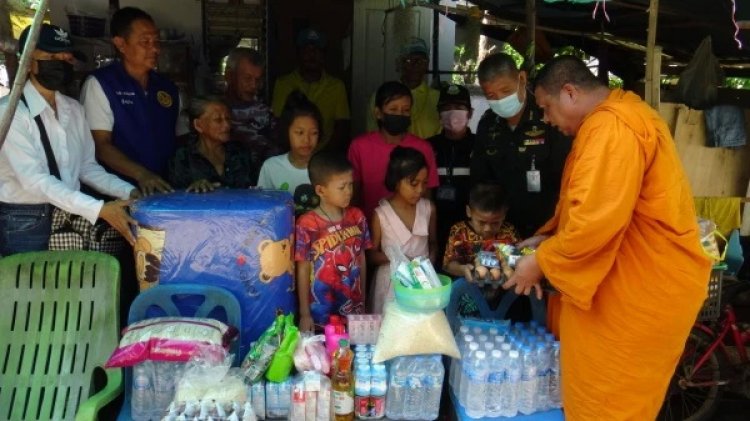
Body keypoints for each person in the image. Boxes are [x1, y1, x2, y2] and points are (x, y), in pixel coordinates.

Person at [504, 55, 712, 420]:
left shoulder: (613, 128)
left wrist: (540, 262)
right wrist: (548, 239)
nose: (547, 120)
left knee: (607, 407)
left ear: (569, 93)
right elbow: (595, 209)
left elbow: (594, 223)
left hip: (638, 295)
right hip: (628, 287)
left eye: (546, 108)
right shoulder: (618, 117)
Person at [0, 24, 137, 255]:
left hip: (69, 215)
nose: (62, 63)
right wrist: (98, 209)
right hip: (25, 222)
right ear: (30, 62)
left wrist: (130, 192)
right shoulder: (10, 112)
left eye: (67, 58)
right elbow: (34, 180)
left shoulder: (73, 109)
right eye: (52, 56)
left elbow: (87, 168)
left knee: (68, 286)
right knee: (31, 288)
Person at [81, 7, 186, 196]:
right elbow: (101, 146)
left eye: (156, 41)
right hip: (119, 194)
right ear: (121, 44)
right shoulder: (101, 84)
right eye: (145, 42)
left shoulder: (167, 88)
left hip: (165, 192)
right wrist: (142, 175)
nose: (155, 48)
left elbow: (182, 141)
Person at [471, 52, 571, 238]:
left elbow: (568, 177)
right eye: (491, 95)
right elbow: (481, 180)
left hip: (547, 227)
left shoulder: (549, 116)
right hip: (501, 231)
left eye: (506, 91)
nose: (500, 99)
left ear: (522, 79)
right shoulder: (487, 124)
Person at [294, 152, 372, 332]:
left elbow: (362, 259)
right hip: (321, 312)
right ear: (321, 190)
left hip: (353, 308)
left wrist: (363, 300)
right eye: (342, 187)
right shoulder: (307, 224)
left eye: (351, 185)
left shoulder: (357, 217)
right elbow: (303, 268)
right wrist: (305, 313)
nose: (349, 192)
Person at [348, 81, 439, 220]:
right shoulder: (359, 146)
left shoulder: (423, 148)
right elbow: (353, 195)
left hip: (412, 234)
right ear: (378, 113)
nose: (400, 114)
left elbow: (427, 197)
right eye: (393, 109)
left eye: (405, 110)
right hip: (369, 231)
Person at [368, 147, 437, 314]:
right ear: (396, 181)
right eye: (413, 183)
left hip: (422, 282)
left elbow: (434, 244)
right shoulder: (381, 215)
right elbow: (371, 255)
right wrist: (399, 259)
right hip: (391, 283)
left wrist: (427, 268)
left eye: (424, 183)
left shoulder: (428, 209)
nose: (420, 190)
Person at [442, 182, 525, 319]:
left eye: (495, 223)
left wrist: (509, 266)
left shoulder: (509, 232)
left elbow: (521, 259)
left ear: (504, 214)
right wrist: (463, 269)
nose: (487, 229)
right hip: (468, 297)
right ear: (469, 212)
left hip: (503, 300)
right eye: (481, 222)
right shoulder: (459, 232)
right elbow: (448, 264)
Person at [271, 28, 350, 152]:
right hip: (291, 155)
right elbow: (277, 124)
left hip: (324, 157)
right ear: (298, 53)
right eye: (306, 50)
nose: (311, 55)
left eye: (316, 50)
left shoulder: (337, 86)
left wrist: (322, 157)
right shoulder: (283, 84)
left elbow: (342, 126)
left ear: (324, 55)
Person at [428, 83, 475, 259]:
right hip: (435, 225)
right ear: (439, 115)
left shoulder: (481, 146)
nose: (452, 113)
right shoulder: (428, 146)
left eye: (458, 107)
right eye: (446, 108)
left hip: (471, 226)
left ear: (470, 113)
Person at [168, 98, 256, 192]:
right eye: (218, 120)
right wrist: (193, 189)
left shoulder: (241, 152)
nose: (227, 125)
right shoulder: (183, 158)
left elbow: (256, 189)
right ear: (198, 125)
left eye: (228, 119)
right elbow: (176, 197)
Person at [366, 37, 440, 139]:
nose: (415, 65)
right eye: (409, 60)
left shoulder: (437, 98)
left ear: (427, 65)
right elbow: (373, 135)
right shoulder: (381, 96)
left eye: (421, 60)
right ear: (399, 64)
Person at [257, 91, 320, 213]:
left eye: (314, 133)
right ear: (287, 132)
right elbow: (263, 210)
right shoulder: (271, 167)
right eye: (299, 132)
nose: (307, 140)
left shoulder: (327, 168)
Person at [223, 47, 279, 184]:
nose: (254, 85)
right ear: (229, 76)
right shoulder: (214, 111)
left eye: (258, 80)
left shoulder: (265, 114)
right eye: (247, 78)